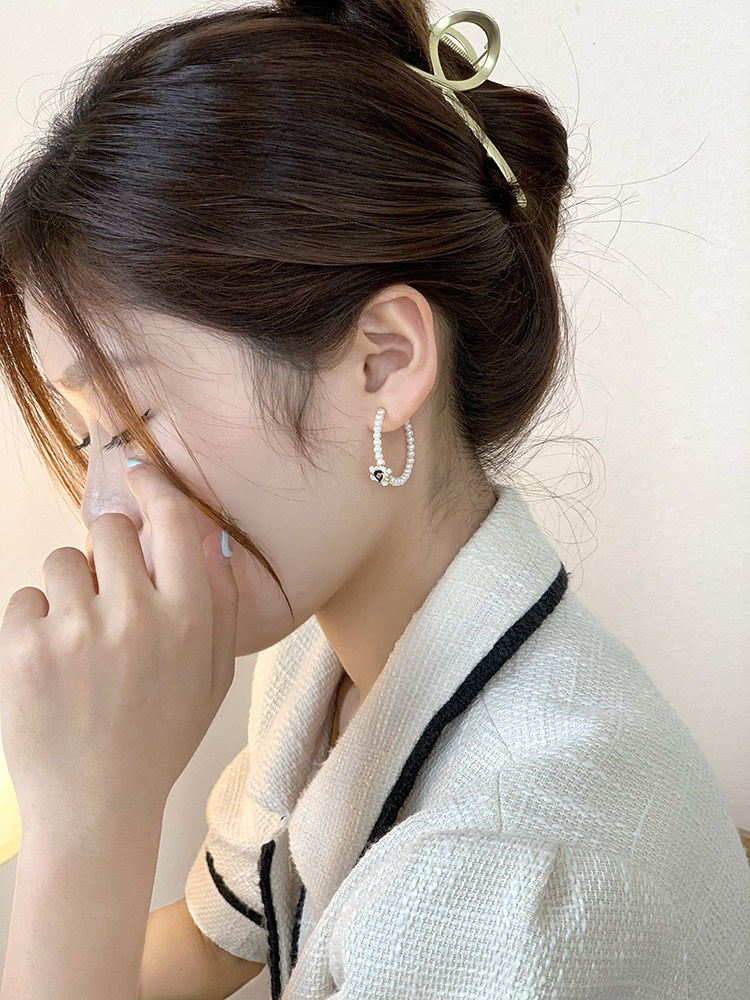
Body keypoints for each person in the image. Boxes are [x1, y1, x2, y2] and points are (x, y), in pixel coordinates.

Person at [0, 2, 748, 998]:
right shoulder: (326, 649)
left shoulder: (507, 883)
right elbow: (220, 941)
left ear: (384, 363)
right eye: (89, 434)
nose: (107, 508)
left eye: (132, 418)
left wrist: (89, 820)